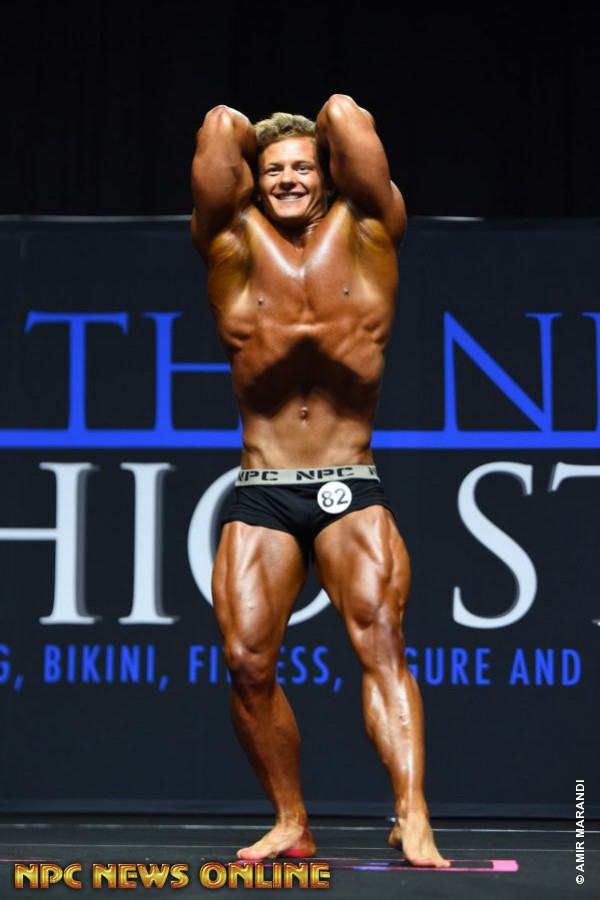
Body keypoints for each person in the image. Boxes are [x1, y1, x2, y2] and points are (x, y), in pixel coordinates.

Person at [190, 94, 448, 868]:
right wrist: (259, 142)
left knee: (383, 643)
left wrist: (317, 132)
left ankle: (412, 814)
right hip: (263, 483)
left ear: (330, 175)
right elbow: (219, 128)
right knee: (246, 662)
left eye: (303, 167)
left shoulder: (371, 231)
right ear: (252, 180)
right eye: (273, 171)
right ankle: (291, 821)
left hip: (349, 482)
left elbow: (343, 116)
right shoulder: (229, 241)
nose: (288, 180)